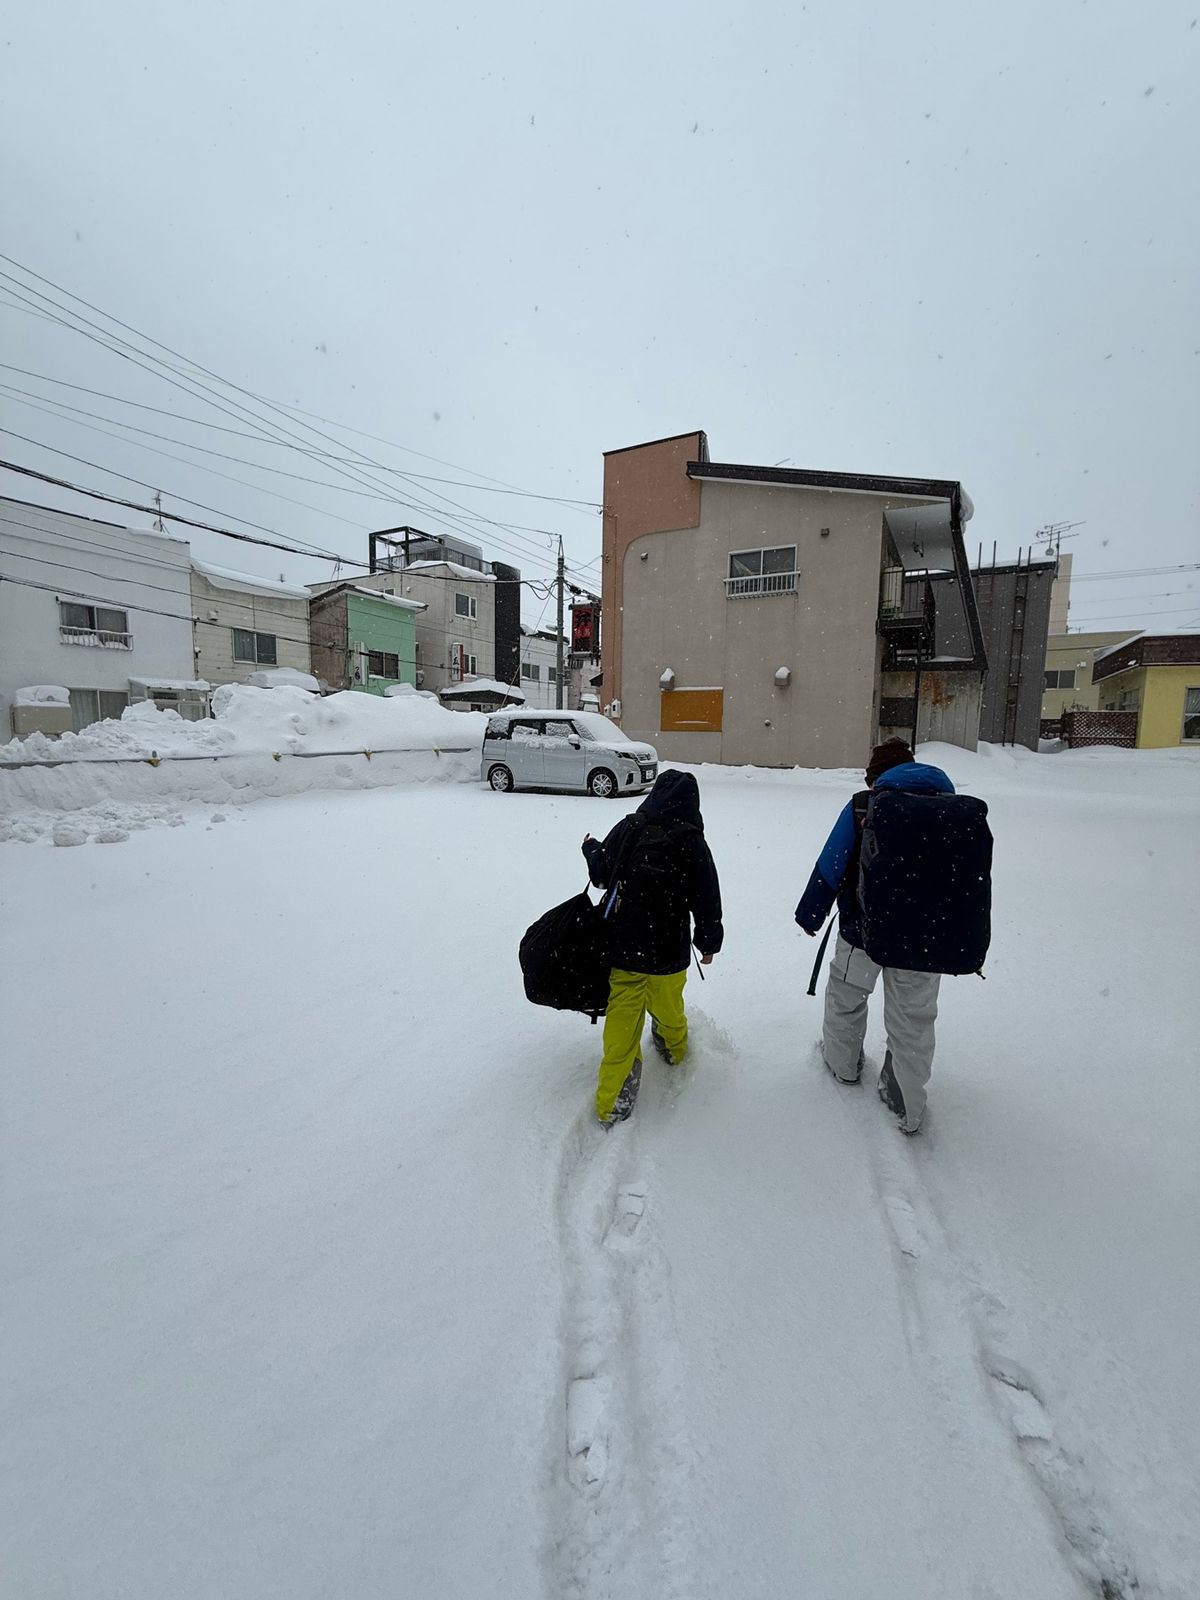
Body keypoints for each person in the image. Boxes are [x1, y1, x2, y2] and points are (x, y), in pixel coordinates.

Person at [794, 739, 955, 1135]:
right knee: (913, 1019)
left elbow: (833, 864)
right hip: (924, 942)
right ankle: (906, 1104)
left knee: (846, 1002)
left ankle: (842, 1065)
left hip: (862, 932)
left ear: (875, 775)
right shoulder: (950, 808)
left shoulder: (863, 806)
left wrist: (810, 913)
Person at [582, 770, 723, 1128]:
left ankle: (613, 1099)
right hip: (669, 951)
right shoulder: (691, 840)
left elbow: (601, 875)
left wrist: (591, 848)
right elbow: (707, 900)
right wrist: (707, 943)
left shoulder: (630, 827)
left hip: (625, 947)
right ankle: (674, 1049)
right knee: (669, 1006)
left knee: (622, 1020)